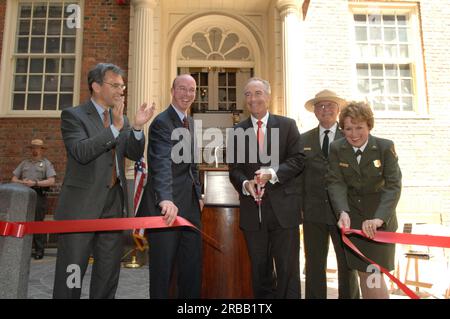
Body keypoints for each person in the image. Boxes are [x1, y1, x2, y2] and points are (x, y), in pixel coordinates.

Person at [53, 63, 155, 299]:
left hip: (113, 205)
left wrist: (137, 127)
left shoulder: (121, 118)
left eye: (123, 86)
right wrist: (115, 129)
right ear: (96, 86)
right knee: (73, 272)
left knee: (108, 273)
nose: (121, 90)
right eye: (116, 85)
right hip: (81, 207)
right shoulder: (73, 116)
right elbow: (81, 151)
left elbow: (133, 152)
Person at [228, 77, 304, 298]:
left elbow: (298, 160)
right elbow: (234, 169)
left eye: (258, 93)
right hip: (254, 212)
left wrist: (273, 173)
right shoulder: (237, 131)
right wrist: (245, 183)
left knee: (288, 271)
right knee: (260, 272)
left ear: (268, 97)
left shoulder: (287, 125)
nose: (253, 99)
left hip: (284, 212)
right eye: (248, 94)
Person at [137, 74, 203, 299]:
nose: (187, 94)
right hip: (166, 207)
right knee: (162, 271)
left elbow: (192, 163)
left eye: (192, 90)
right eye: (182, 89)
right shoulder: (161, 122)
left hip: (191, 206)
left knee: (191, 268)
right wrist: (165, 199)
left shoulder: (191, 122)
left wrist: (199, 192)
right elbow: (161, 162)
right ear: (172, 91)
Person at [327, 101, 402, 299]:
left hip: (379, 223)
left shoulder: (385, 147)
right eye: (348, 128)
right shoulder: (336, 148)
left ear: (369, 125)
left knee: (374, 274)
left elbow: (393, 186)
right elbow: (336, 183)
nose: (353, 134)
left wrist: (379, 219)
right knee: (363, 273)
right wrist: (342, 211)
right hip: (355, 223)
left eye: (359, 127)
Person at [301, 90, 360, 299]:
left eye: (329, 106)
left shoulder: (350, 136)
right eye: (320, 106)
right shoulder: (303, 139)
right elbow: (299, 176)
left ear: (338, 110)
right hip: (313, 213)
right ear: (315, 111)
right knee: (314, 265)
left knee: (347, 265)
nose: (325, 109)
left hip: (343, 213)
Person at [12, 139, 56, 260]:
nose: (34, 150)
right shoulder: (24, 163)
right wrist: (23, 182)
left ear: (42, 150)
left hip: (38, 194)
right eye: (32, 148)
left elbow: (51, 181)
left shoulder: (46, 164)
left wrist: (35, 183)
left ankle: (39, 250)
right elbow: (13, 179)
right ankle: (21, 249)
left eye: (37, 148)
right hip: (24, 194)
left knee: (37, 223)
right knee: (22, 221)